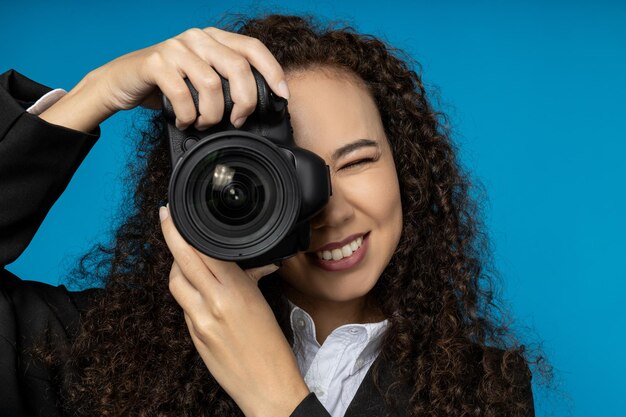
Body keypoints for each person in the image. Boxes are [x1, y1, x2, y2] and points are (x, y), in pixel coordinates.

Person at [0, 14, 541, 417]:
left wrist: (278, 396)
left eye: (356, 161)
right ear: (204, 192)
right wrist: (97, 92)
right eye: (281, 174)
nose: (331, 207)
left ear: (408, 170)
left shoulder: (485, 389)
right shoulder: (107, 354)